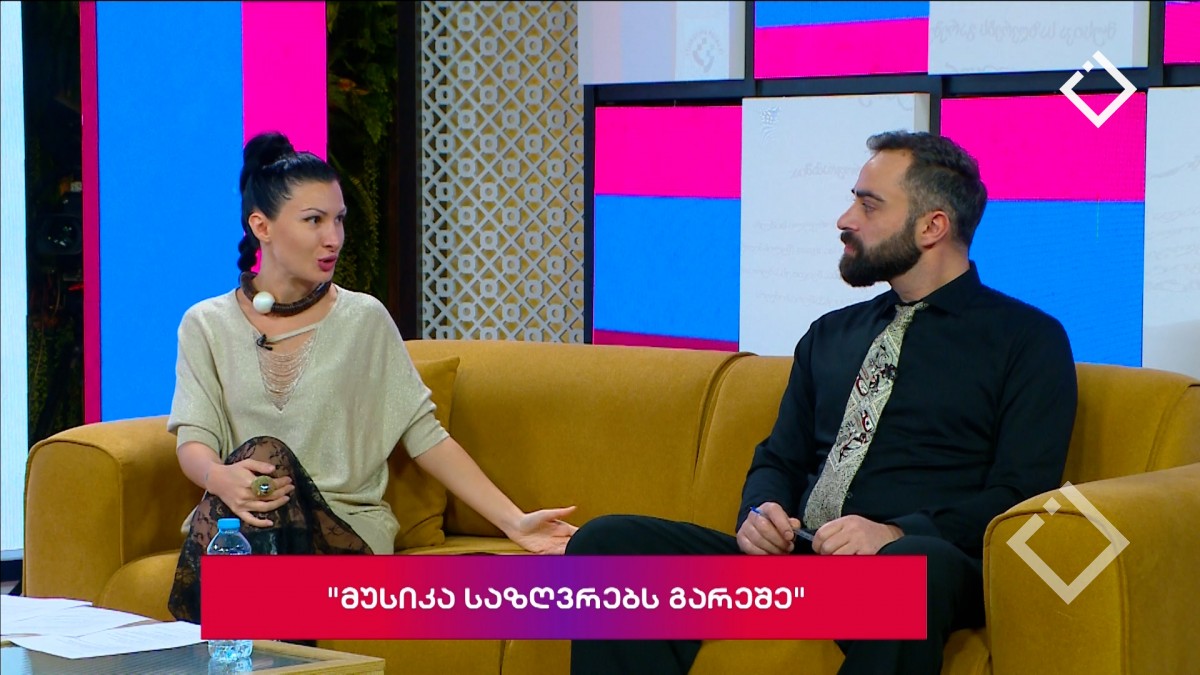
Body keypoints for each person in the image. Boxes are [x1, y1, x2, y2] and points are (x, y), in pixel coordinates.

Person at [566, 131, 1078, 675]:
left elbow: (1019, 495)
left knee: (911, 568)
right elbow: (779, 458)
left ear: (932, 227)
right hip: (803, 566)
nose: (845, 219)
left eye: (869, 205)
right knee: (609, 543)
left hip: (916, 567)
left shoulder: (1027, 340)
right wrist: (760, 512)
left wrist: (896, 532)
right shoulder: (830, 334)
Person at [167, 131, 577, 623]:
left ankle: (224, 632)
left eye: (339, 219)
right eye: (314, 220)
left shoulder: (364, 319)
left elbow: (426, 437)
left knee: (265, 457)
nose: (333, 238)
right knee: (255, 486)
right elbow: (195, 440)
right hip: (245, 519)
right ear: (262, 226)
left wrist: (515, 522)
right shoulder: (206, 324)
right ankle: (262, 632)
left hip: (342, 530)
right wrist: (220, 477)